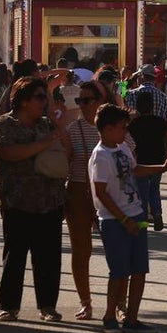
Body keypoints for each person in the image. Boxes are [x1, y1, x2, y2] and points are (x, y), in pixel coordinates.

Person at [0, 77, 70, 323]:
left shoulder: (47, 125)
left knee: (48, 257)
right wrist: (44, 143)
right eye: (39, 97)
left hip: (50, 200)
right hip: (17, 201)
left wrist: (57, 124)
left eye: (44, 97)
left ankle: (47, 305)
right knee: (14, 256)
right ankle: (9, 305)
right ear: (23, 101)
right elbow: (8, 153)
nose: (43, 102)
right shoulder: (6, 124)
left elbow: (68, 152)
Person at [89, 104, 167, 333]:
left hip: (135, 214)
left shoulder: (123, 147)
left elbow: (135, 170)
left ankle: (132, 317)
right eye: (122, 128)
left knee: (139, 270)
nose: (125, 132)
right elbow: (101, 192)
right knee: (119, 272)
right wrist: (123, 219)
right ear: (107, 129)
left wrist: (162, 168)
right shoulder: (100, 156)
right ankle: (109, 315)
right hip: (115, 221)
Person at [65, 81, 106, 320]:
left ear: (99, 101)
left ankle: (119, 302)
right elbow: (65, 162)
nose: (81, 105)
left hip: (109, 192)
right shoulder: (73, 129)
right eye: (79, 100)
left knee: (115, 250)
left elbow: (130, 157)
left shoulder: (115, 126)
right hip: (79, 190)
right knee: (81, 250)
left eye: (86, 100)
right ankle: (85, 302)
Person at [128, 91, 167, 231]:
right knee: (154, 188)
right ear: (152, 106)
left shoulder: (133, 124)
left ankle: (144, 220)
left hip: (140, 160)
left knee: (142, 191)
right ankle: (157, 214)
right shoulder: (160, 122)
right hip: (158, 160)